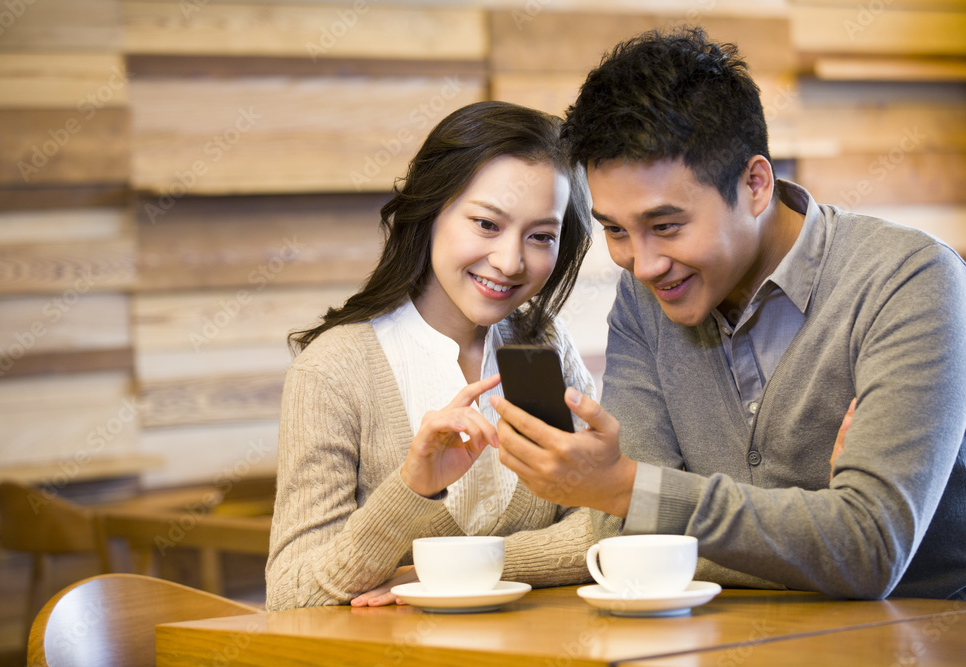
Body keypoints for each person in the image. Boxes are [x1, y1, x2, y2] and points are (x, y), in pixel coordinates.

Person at [492, 27, 966, 600]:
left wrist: (637, 492)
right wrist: (815, 531)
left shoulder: (910, 279)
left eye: (666, 226)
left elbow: (867, 550)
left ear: (756, 184)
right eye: (615, 230)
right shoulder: (645, 301)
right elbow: (623, 542)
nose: (641, 264)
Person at [265, 100, 597, 610]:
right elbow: (290, 595)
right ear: (431, 209)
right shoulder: (335, 369)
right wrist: (410, 488)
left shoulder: (544, 346)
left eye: (541, 237)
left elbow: (604, 526)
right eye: (487, 224)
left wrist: (435, 571)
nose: (510, 262)